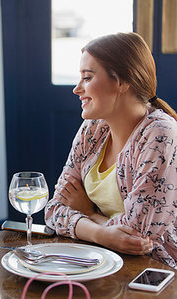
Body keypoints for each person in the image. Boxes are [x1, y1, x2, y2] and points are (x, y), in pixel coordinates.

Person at [45, 32, 177, 269]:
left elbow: (136, 237)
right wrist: (101, 234)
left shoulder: (161, 134)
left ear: (122, 81)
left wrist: (87, 212)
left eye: (87, 77)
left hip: (155, 270)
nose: (77, 89)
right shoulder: (93, 129)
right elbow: (54, 209)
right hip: (98, 259)